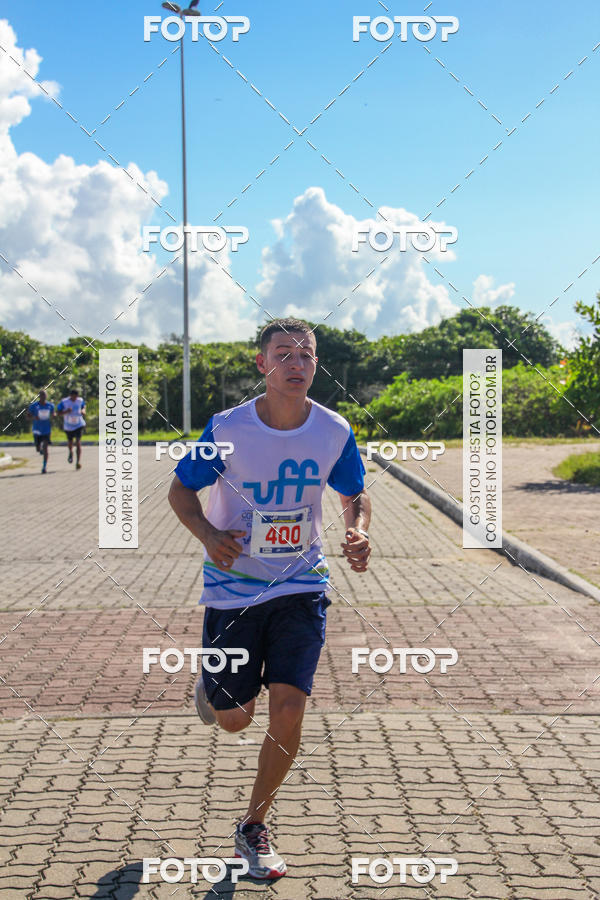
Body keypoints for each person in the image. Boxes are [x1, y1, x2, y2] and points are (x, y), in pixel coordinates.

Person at [168, 317, 372, 880]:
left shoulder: (333, 429)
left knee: (290, 709)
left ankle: (253, 826)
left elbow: (354, 493)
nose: (296, 363)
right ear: (262, 365)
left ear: (315, 365)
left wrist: (357, 530)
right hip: (232, 591)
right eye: (283, 354)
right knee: (235, 720)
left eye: (305, 354)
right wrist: (210, 537)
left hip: (302, 586)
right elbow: (181, 490)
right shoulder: (228, 428)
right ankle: (214, 687)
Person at [57, 389, 86, 469]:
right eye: (73, 397)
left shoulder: (80, 400)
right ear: (70, 396)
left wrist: (83, 411)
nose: (75, 399)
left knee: (78, 442)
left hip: (79, 424)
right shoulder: (64, 402)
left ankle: (78, 462)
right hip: (68, 426)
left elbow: (83, 407)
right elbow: (58, 413)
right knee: (70, 442)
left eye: (76, 397)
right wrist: (66, 411)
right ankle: (70, 452)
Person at [27, 390, 55, 474]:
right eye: (42, 395)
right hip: (37, 429)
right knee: (38, 448)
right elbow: (28, 416)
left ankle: (44, 466)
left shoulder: (50, 405)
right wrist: (33, 417)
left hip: (47, 429)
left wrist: (54, 415)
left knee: (46, 448)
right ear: (39, 396)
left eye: (45, 395)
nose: (43, 397)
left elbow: (53, 414)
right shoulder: (34, 406)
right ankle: (40, 448)